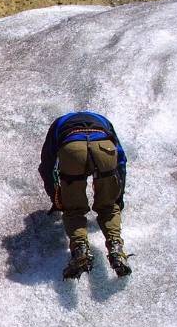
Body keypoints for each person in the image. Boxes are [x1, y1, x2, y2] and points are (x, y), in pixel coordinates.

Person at [39, 111, 130, 279]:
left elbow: (47, 166)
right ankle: (116, 248)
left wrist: (57, 199)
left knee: (74, 210)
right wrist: (117, 197)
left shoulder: (59, 123)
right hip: (104, 146)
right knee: (108, 207)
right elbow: (121, 161)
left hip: (72, 149)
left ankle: (80, 249)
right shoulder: (103, 120)